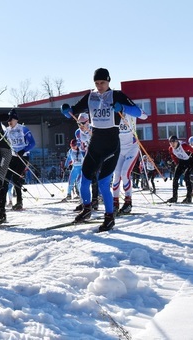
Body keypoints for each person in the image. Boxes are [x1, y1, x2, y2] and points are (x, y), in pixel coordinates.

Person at [61, 68, 143, 232]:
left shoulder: (117, 95)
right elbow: (73, 111)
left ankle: (109, 217)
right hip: (95, 143)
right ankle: (86, 209)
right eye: (97, 83)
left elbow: (138, 112)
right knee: (85, 179)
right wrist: (66, 110)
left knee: (105, 183)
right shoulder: (91, 96)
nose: (100, 86)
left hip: (112, 144)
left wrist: (122, 108)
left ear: (108, 81)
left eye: (103, 83)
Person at [112, 109, 147, 215]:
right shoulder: (113, 114)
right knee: (116, 176)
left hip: (132, 148)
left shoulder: (130, 112)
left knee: (124, 173)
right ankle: (115, 203)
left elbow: (145, 116)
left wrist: (129, 109)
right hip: (120, 150)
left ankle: (128, 202)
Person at [4, 109, 36, 210]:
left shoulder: (23, 129)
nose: (9, 122)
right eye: (8, 120)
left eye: (11, 120)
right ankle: (2, 202)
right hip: (12, 156)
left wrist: (23, 151)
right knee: (5, 177)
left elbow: (32, 143)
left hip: (23, 156)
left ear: (16, 120)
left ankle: (19, 202)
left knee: (16, 178)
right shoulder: (7, 130)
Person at [73, 112, 99, 211]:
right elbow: (81, 146)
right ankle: (85, 201)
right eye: (78, 123)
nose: (80, 126)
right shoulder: (77, 132)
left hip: (97, 155)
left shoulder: (93, 129)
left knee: (93, 177)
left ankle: (95, 200)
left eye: (82, 123)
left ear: (88, 122)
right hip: (87, 155)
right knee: (82, 179)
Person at [167, 135, 193, 203]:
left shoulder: (184, 146)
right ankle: (174, 197)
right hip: (182, 162)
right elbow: (173, 156)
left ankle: (188, 198)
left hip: (191, 161)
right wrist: (176, 163)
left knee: (186, 177)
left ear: (177, 141)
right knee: (175, 178)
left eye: (174, 142)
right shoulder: (170, 148)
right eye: (170, 142)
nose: (172, 144)